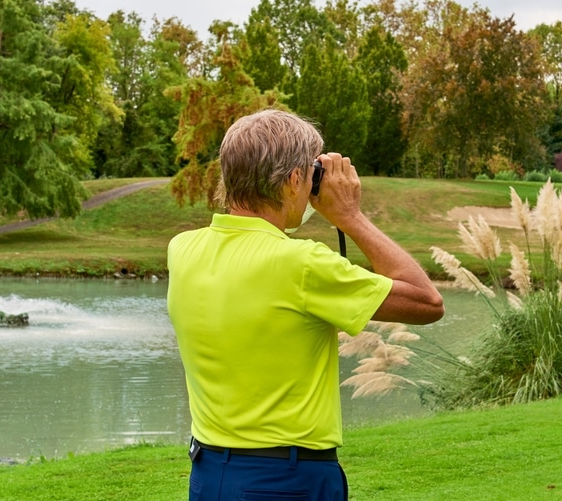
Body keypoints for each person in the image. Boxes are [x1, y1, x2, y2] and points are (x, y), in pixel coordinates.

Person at [166, 109, 444, 501]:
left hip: (210, 475)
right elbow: (426, 301)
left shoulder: (183, 250)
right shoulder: (301, 264)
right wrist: (350, 217)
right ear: (296, 179)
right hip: (285, 481)